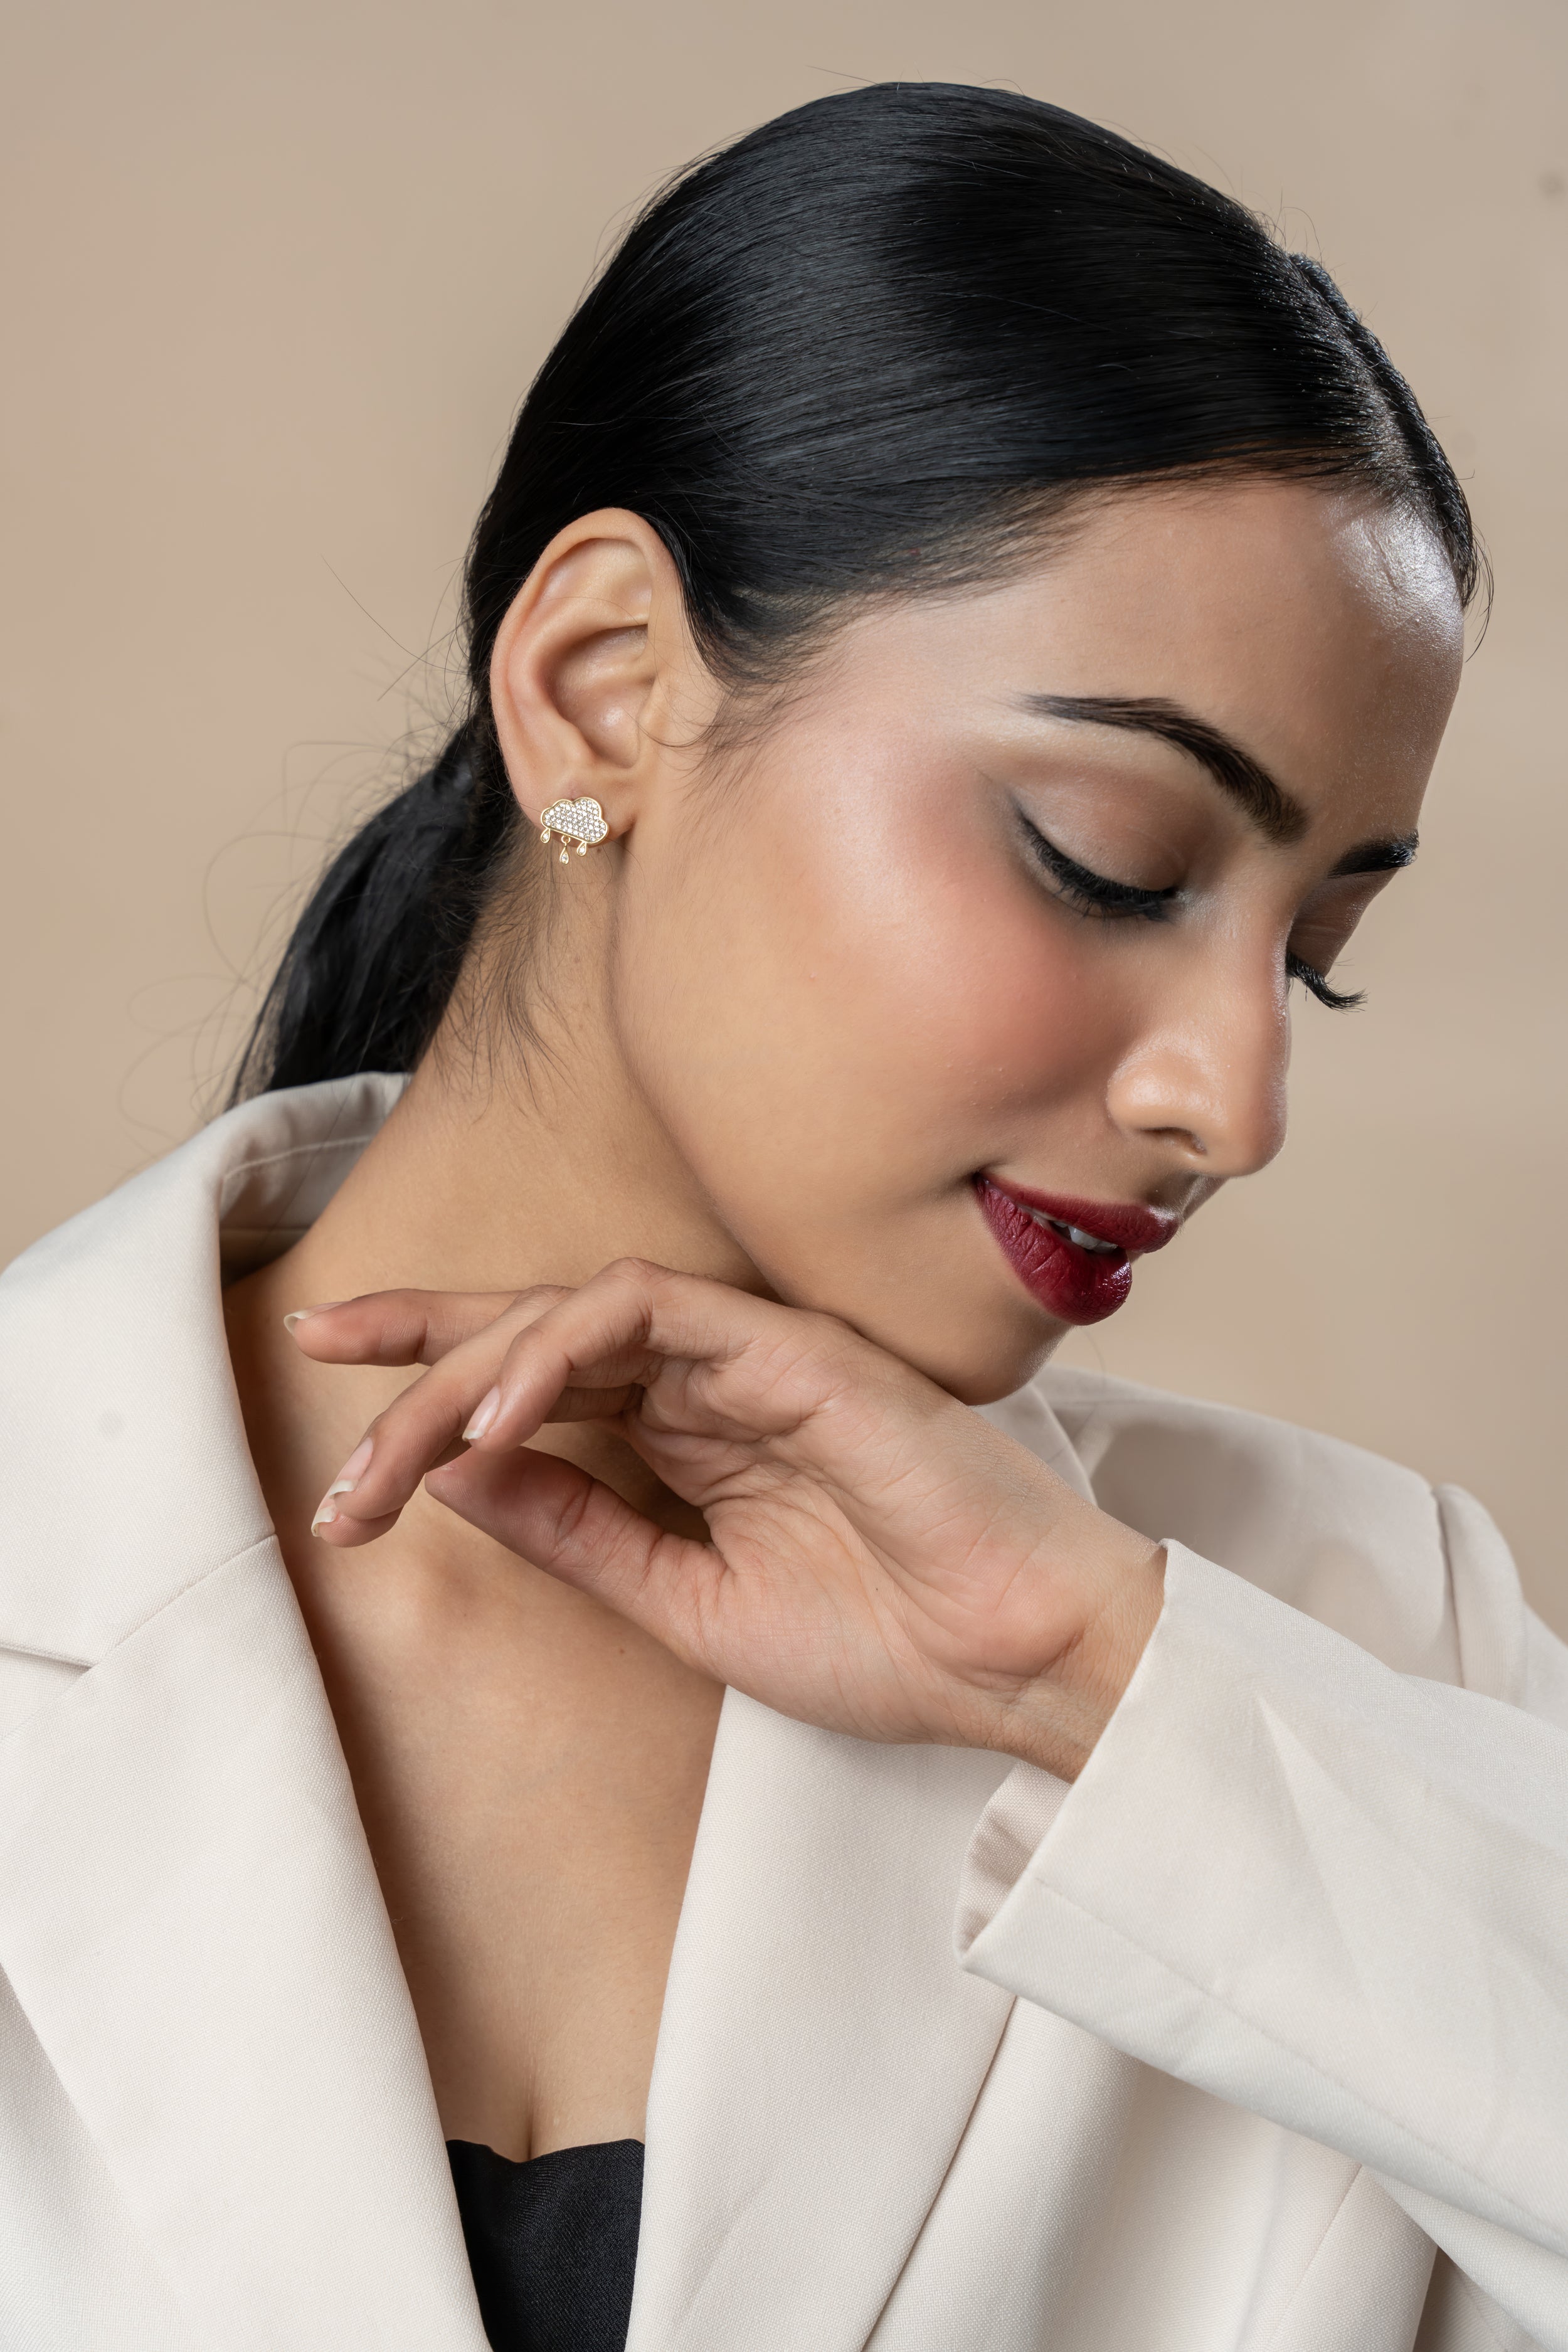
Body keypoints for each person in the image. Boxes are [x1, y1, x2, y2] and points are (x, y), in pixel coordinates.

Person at [1, 78, 1563, 2352]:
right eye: (1110, 862)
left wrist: (1099, 1682)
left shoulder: (1343, 1648)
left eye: (1309, 946)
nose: (1232, 1098)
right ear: (604, 690)